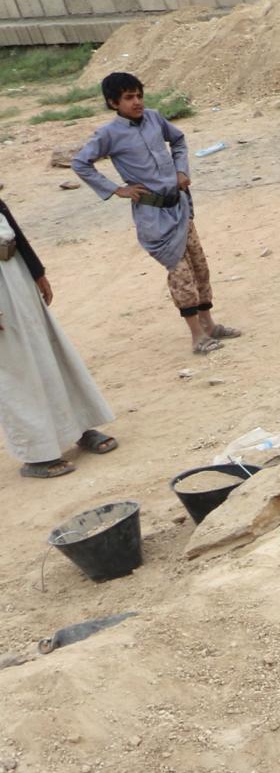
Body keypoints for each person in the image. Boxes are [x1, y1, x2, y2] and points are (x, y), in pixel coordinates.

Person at [71, 73, 242, 357]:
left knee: (199, 267)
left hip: (179, 207)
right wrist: (116, 189)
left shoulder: (154, 118)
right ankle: (197, 336)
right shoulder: (108, 134)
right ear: (113, 103)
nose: (136, 102)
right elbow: (81, 163)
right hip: (153, 216)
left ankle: (210, 325)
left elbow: (178, 141)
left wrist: (181, 171)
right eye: (128, 98)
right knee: (180, 274)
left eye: (139, 95)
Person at [0, 189, 116, 480]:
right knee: (17, 371)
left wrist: (37, 271)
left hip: (17, 274)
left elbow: (9, 223)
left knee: (51, 352)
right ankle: (37, 454)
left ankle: (80, 426)